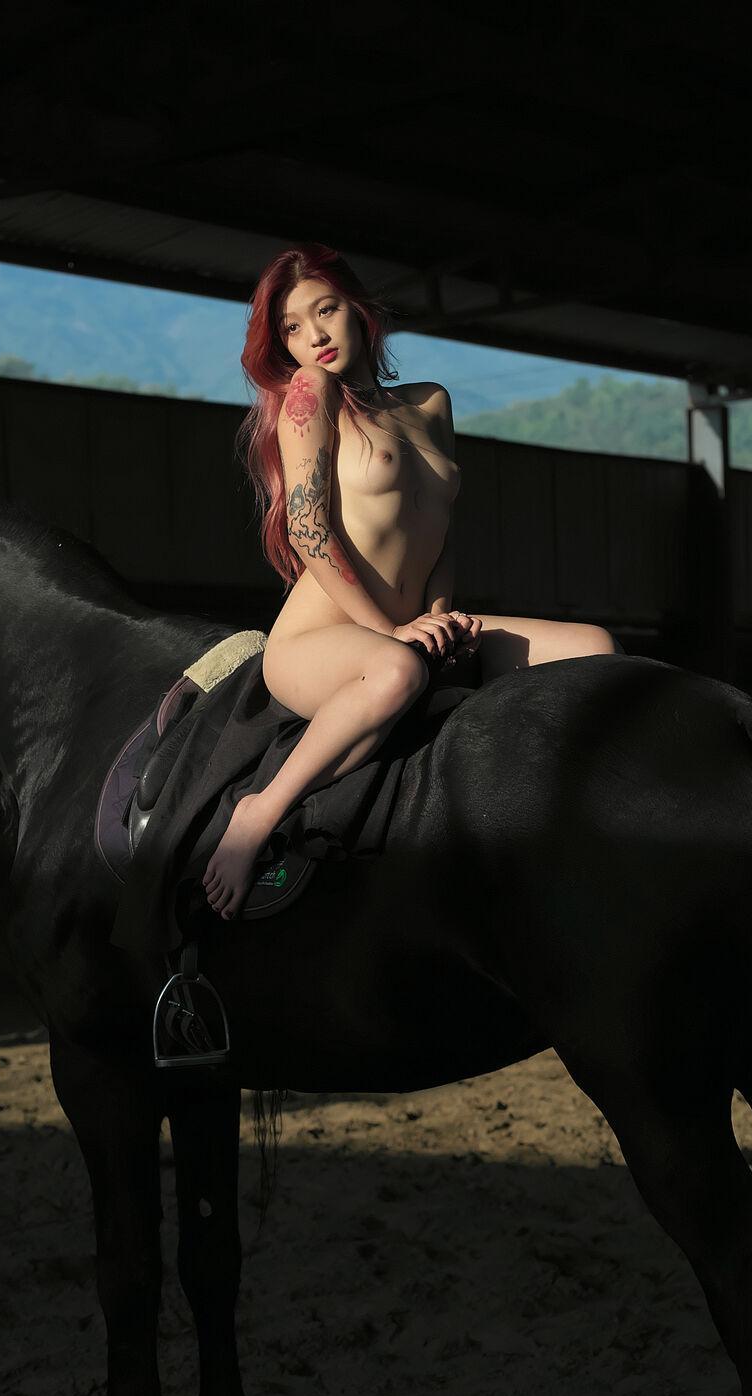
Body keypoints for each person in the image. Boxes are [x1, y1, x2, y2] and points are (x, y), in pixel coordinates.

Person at [203, 244, 621, 916]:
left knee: (594, 647)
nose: (314, 336)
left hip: (414, 623)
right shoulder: (313, 393)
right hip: (325, 636)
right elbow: (309, 530)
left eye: (326, 310)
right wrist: (391, 632)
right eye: (292, 327)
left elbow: (441, 530)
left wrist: (443, 618)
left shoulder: (430, 402)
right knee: (397, 672)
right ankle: (260, 810)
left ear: (358, 309)